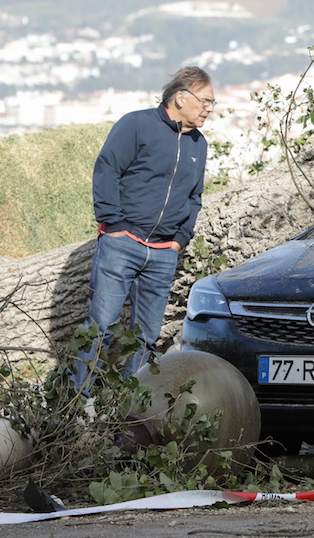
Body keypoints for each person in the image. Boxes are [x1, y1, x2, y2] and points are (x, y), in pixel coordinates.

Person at [71, 66, 214, 395]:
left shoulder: (198, 144)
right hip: (122, 244)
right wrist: (114, 225)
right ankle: (76, 406)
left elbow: (195, 198)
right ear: (181, 97)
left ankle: (128, 412)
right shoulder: (137, 124)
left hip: (164, 254)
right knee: (100, 328)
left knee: (147, 337)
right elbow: (107, 169)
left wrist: (180, 240)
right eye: (205, 100)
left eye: (212, 102)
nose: (209, 108)